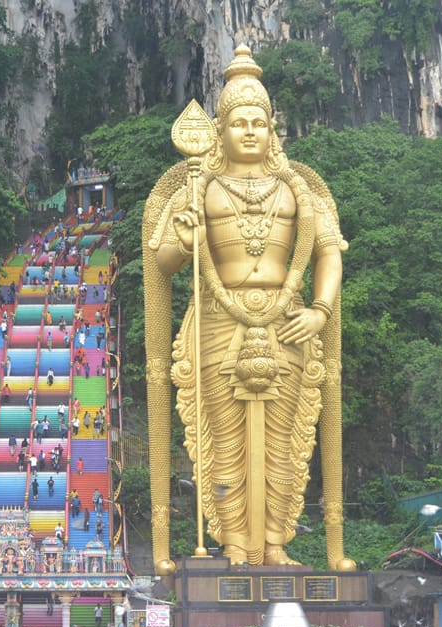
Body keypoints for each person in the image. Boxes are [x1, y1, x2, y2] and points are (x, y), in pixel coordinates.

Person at [142, 45, 352, 571]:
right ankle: (235, 544)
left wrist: (320, 311)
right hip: (217, 320)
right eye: (240, 123)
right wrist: (186, 238)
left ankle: (277, 542)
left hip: (288, 322)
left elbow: (330, 253)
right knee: (224, 438)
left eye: (260, 121)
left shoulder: (299, 189)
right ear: (220, 130)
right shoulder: (199, 187)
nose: (251, 131)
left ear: (273, 128)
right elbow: (162, 261)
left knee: (285, 440)